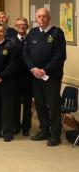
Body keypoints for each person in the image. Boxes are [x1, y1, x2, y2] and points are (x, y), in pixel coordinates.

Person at [24, 8, 66, 146]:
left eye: (44, 16)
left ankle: (55, 134)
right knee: (40, 104)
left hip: (51, 77)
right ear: (36, 19)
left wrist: (45, 70)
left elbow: (60, 55)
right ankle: (44, 131)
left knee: (53, 105)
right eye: (39, 17)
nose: (41, 19)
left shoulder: (57, 33)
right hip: (35, 76)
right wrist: (33, 69)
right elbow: (25, 53)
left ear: (49, 18)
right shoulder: (33, 33)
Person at [11, 18, 33, 136]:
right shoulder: (11, 41)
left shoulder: (32, 40)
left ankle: (26, 127)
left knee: (28, 104)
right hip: (15, 78)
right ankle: (16, 126)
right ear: (15, 27)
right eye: (19, 25)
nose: (22, 27)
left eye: (24, 25)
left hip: (28, 77)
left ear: (27, 26)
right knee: (15, 103)